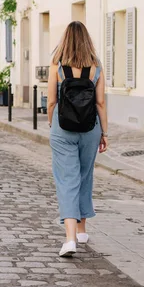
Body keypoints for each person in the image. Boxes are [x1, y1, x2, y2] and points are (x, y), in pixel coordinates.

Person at [48, 21, 108, 257]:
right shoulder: (97, 67)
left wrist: (52, 123)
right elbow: (100, 103)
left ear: (66, 40)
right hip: (90, 128)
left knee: (67, 181)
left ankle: (70, 239)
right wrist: (104, 132)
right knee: (84, 176)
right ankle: (82, 230)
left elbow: (51, 100)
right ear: (87, 40)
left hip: (63, 128)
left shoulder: (57, 66)